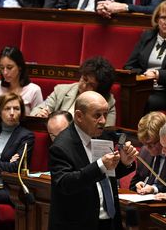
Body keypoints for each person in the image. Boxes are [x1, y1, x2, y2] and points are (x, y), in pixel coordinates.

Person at [48, 91, 138, 230]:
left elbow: (106, 176)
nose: (103, 120)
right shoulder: (61, 146)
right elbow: (65, 183)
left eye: (105, 114)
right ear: (79, 116)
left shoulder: (104, 137)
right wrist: (100, 165)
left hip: (109, 221)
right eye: (97, 115)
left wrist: (124, 163)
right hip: (78, 224)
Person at [31, 56, 117, 127]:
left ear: (100, 89)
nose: (84, 85)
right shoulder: (61, 90)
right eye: (84, 79)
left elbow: (106, 131)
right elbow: (36, 111)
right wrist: (40, 114)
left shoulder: (107, 101)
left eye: (91, 85)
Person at [129, 111, 166, 193]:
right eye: (144, 144)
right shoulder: (144, 152)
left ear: (164, 138)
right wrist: (138, 186)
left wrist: (154, 189)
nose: (147, 148)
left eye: (151, 144)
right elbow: (133, 184)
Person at [0, 46, 43, 115]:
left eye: (9, 68)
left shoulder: (34, 90)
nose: (5, 72)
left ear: (19, 67)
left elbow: (37, 121)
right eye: (2, 68)